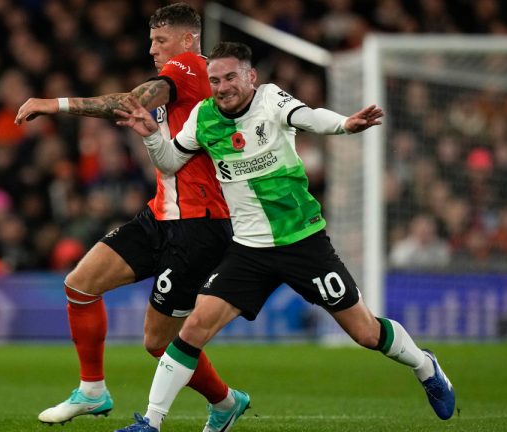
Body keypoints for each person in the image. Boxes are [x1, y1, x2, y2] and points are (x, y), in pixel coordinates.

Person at [114, 42, 456, 432]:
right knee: (192, 330)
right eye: (215, 80)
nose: (222, 86)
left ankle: (425, 365)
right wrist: (152, 136)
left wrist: (344, 124)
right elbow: (171, 161)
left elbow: (309, 117)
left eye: (230, 77)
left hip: (302, 242)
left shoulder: (270, 100)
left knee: (365, 332)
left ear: (250, 77)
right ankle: (151, 423)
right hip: (248, 250)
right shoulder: (203, 116)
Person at [14, 4, 248, 430]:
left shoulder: (191, 67)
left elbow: (130, 101)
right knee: (81, 284)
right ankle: (92, 391)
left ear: (188, 40)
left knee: (158, 343)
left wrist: (55, 103)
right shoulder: (180, 74)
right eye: (151, 40)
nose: (151, 48)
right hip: (161, 214)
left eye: (160, 40)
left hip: (200, 225)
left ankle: (226, 401)